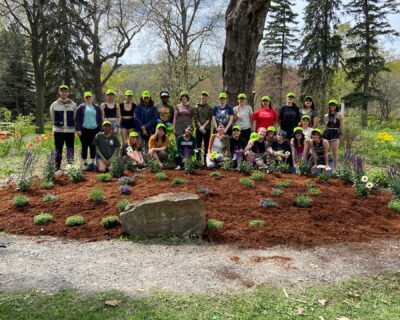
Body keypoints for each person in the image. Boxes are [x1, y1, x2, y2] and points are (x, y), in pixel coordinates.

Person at [49, 84, 77, 171]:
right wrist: (58, 124)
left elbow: (75, 117)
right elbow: (52, 116)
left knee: (70, 148)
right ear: (59, 92)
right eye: (62, 91)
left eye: (65, 91)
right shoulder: (54, 104)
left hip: (70, 131)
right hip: (58, 131)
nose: (64, 93)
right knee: (58, 149)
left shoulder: (73, 104)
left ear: (68, 93)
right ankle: (57, 166)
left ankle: (70, 165)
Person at [75, 91, 102, 170]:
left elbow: (100, 119)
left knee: (93, 146)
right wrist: (78, 129)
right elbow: (77, 119)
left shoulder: (97, 107)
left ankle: (92, 163)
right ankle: (85, 163)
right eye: (87, 97)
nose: (88, 99)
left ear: (92, 97)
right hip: (84, 129)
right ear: (84, 98)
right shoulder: (81, 107)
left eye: (89, 97)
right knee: (84, 146)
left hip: (94, 130)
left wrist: (100, 129)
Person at [322, 99, 343, 171]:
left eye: (333, 105)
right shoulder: (326, 115)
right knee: (327, 151)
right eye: (331, 105)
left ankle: (335, 169)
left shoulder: (339, 115)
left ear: (336, 106)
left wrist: (341, 134)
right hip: (327, 133)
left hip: (335, 133)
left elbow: (341, 125)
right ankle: (327, 166)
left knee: (335, 152)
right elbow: (325, 126)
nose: (332, 106)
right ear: (329, 106)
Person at [193, 91, 212, 165]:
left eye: (205, 97)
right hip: (198, 129)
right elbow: (195, 117)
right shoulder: (196, 107)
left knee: (207, 145)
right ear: (200, 97)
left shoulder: (209, 107)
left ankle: (206, 161)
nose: (204, 99)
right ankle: (198, 161)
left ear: (207, 98)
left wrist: (204, 126)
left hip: (206, 128)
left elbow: (209, 118)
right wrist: (200, 126)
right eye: (202, 97)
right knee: (198, 145)